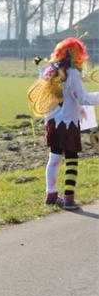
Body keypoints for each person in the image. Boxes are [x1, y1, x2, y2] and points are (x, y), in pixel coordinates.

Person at [28, 37, 99, 210]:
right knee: (72, 159)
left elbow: (39, 63)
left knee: (54, 158)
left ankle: (51, 195)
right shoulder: (72, 73)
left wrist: (40, 61)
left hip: (53, 122)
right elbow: (82, 98)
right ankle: (68, 198)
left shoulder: (49, 71)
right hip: (68, 123)